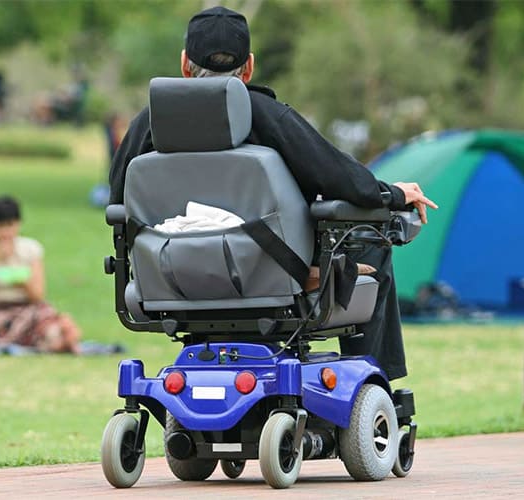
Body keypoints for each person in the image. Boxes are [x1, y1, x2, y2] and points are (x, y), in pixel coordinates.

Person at [108, 6, 438, 381]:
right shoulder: (267, 115)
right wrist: (392, 195)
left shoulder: (147, 125)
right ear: (248, 67)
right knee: (370, 240)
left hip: (171, 279)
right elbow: (339, 179)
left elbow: (118, 201)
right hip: (271, 275)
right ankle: (377, 382)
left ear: (185, 64)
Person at [0, 195, 81, 353]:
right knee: (8, 324)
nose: (5, 232)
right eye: (0, 226)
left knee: (41, 314)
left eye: (10, 225)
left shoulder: (30, 249)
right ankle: (54, 340)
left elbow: (38, 294)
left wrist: (21, 281)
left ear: (18, 224)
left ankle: (59, 334)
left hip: (27, 306)